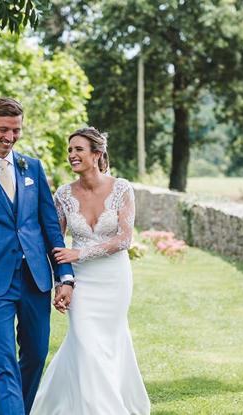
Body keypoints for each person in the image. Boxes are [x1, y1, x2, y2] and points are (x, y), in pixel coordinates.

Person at [0, 97, 75, 415]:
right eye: (3, 129)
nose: (9, 137)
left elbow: (50, 226)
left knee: (35, 354)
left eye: (16, 130)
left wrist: (65, 276)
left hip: (36, 278)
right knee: (3, 363)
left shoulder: (31, 167)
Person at [30, 127, 151, 415]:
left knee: (111, 339)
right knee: (84, 341)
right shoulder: (63, 195)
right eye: (70, 150)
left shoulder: (122, 189)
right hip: (81, 281)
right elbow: (55, 243)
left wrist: (80, 252)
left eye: (78, 149)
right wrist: (63, 282)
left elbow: (124, 239)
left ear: (97, 154)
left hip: (114, 279)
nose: (72, 155)